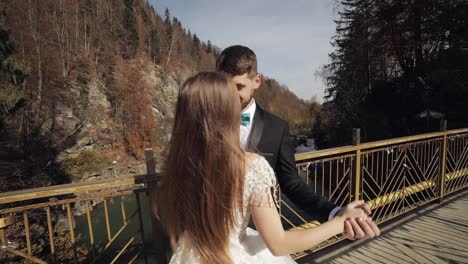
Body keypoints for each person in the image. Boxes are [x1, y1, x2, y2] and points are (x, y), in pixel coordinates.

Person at [157, 72, 377, 264]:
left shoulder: (178, 164)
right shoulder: (250, 166)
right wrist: (339, 223)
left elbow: (291, 182)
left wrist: (334, 213)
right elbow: (279, 244)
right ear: (227, 112)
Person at [215, 45, 380, 239]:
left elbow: (291, 183)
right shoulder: (204, 121)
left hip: (259, 236)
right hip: (209, 232)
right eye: (225, 86)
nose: (230, 95)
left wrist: (334, 213)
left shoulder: (276, 128)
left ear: (256, 81)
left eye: (239, 87)